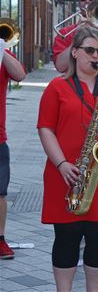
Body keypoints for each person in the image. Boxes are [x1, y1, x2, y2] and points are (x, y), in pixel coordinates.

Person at [37, 26, 98, 291]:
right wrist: (62, 164)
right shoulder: (57, 86)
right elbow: (45, 128)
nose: (96, 56)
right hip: (66, 173)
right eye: (90, 50)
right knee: (66, 239)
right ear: (75, 52)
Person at [0, 44, 26, 260]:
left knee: (0, 193)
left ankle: (0, 239)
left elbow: (19, 75)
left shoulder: (2, 55)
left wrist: (2, 48)